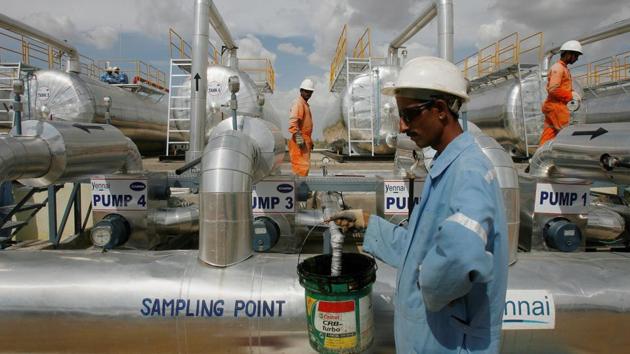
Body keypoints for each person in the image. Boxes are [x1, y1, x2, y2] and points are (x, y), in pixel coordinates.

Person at [329, 57, 509, 353]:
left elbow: (461, 254)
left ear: (439, 110)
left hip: (447, 341)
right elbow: (420, 250)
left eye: (408, 115)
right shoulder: (447, 166)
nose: (401, 126)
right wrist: (367, 223)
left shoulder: (468, 171)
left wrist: (428, 288)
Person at [539, 40, 583, 146]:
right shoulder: (558, 68)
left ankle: (539, 157)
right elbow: (553, 89)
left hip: (554, 106)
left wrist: (572, 92)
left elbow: (563, 87)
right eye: (576, 55)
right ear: (568, 54)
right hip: (557, 107)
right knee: (568, 133)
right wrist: (570, 96)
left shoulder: (563, 68)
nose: (577, 59)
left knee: (549, 135)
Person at [288, 78, 314, 176]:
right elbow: (293, 122)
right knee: (300, 168)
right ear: (301, 91)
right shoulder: (299, 103)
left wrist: (309, 141)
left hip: (304, 141)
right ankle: (300, 190)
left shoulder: (304, 104)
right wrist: (299, 138)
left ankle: (302, 189)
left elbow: (305, 127)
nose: (308, 94)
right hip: (299, 142)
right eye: (306, 91)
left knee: (304, 168)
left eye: (310, 92)